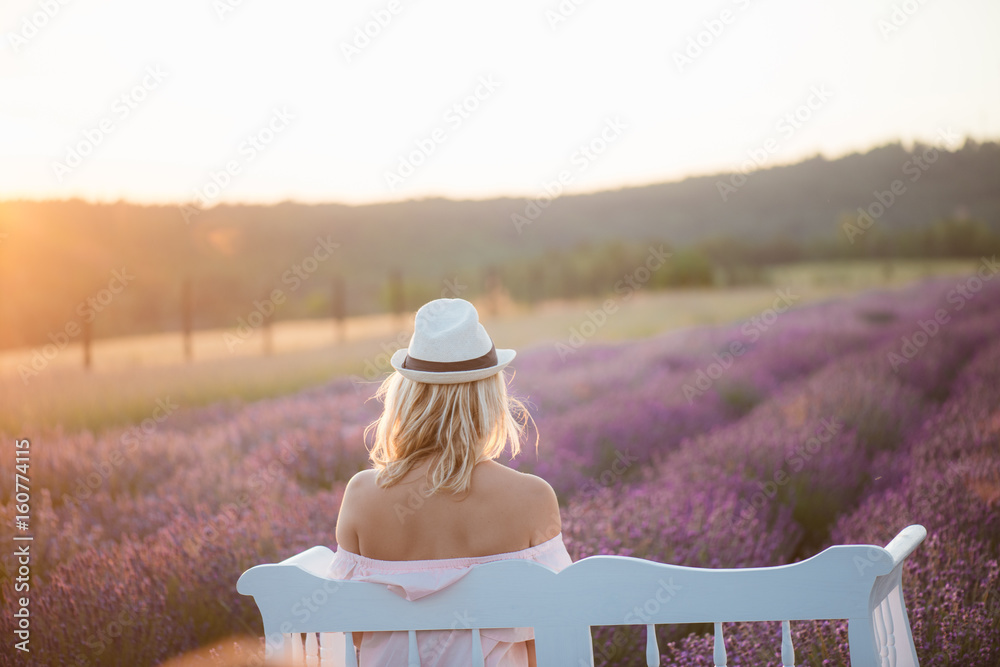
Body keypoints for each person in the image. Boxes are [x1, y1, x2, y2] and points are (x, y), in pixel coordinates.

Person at [331, 298, 571, 666]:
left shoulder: (362, 495)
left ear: (406, 395)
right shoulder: (531, 498)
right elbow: (555, 635)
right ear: (491, 396)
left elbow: (353, 634)